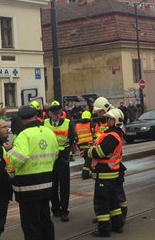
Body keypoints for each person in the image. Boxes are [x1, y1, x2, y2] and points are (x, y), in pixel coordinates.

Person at [7, 105, 58, 240]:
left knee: (31, 224)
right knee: (45, 219)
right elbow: (55, 153)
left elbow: (18, 158)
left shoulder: (24, 135)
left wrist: (9, 153)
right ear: (36, 116)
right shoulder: (48, 132)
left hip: (28, 187)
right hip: (47, 184)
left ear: (22, 119)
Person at [85, 109, 125, 237]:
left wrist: (88, 152)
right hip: (111, 175)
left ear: (116, 121)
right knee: (113, 203)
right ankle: (118, 225)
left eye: (110, 119)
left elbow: (100, 153)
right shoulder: (113, 134)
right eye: (107, 119)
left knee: (102, 203)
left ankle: (103, 229)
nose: (107, 121)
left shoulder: (112, 136)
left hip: (104, 175)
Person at [44, 100, 76, 222]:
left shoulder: (67, 123)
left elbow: (71, 139)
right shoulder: (45, 123)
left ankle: (64, 210)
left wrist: (67, 152)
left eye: (58, 113)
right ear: (50, 114)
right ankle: (55, 208)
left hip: (62, 157)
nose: (57, 115)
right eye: (54, 113)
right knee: (52, 185)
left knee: (64, 185)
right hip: (50, 158)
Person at [76, 110, 94, 180]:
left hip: (81, 146)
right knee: (88, 160)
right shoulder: (91, 124)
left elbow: (76, 136)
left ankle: (94, 172)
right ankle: (85, 174)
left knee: (88, 160)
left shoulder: (77, 126)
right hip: (89, 145)